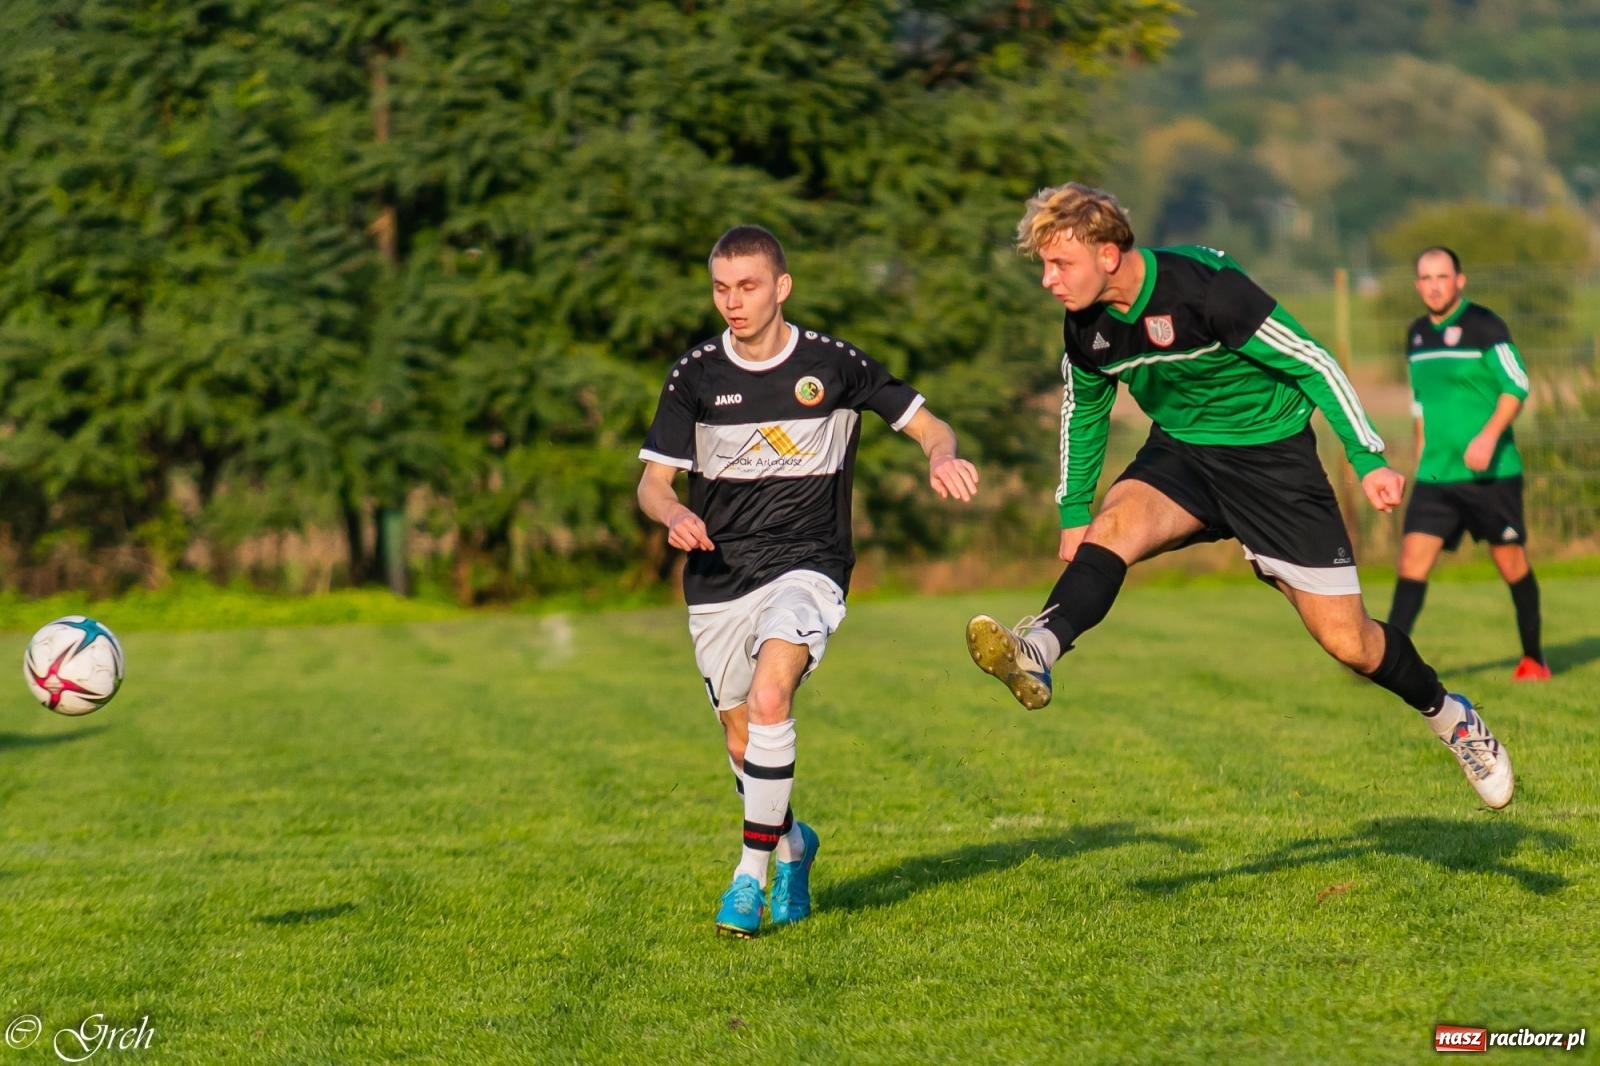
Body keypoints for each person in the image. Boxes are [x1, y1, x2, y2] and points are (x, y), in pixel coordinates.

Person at [963, 182, 1514, 809]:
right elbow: (1084, 410)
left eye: (1060, 264)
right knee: (1112, 530)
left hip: (1273, 463)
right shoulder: (1084, 326)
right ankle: (1036, 649)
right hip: (1183, 455)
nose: (1048, 280)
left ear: (1109, 253)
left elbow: (1314, 362)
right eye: (1044, 266)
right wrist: (1074, 508)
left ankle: (1452, 718)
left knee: (1350, 643)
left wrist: (1368, 459)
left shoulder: (1204, 287)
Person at [637, 224, 980, 937]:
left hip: (809, 564)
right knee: (742, 744)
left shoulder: (832, 362)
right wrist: (671, 512)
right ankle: (793, 845)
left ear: (781, 287)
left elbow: (929, 425)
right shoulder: (695, 374)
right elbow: (653, 481)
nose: (732, 301)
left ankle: (747, 878)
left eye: (748, 286)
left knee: (772, 696)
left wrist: (939, 458)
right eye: (721, 287)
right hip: (718, 576)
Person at [1387, 247, 1549, 681]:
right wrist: (1421, 456)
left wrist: (1489, 435)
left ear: (1460, 280)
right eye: (1425, 277)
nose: (1434, 285)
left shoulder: (1485, 325)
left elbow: (1516, 383)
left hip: (1491, 475)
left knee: (1510, 562)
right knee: (1411, 562)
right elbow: (1421, 402)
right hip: (1437, 475)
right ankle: (1388, 663)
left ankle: (1534, 658)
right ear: (1417, 284)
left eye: (1442, 276)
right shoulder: (1416, 335)